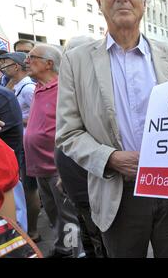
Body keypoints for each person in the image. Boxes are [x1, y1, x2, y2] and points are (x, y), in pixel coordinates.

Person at [55, 0, 168, 258]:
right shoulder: (76, 61)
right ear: (99, 0)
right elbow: (68, 133)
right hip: (118, 194)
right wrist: (111, 158)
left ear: (143, 1)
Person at [24, 44, 81, 258]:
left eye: (32, 57)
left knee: (68, 216)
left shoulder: (63, 88)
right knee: (53, 212)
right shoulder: (38, 87)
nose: (27, 61)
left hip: (58, 167)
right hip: (40, 166)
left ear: (49, 63)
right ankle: (62, 247)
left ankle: (74, 252)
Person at [53, 35, 107, 258]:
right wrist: (61, 175)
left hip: (93, 182)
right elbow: (65, 133)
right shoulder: (69, 86)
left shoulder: (99, 88)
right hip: (72, 178)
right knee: (84, 233)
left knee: (101, 238)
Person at [0, 52, 39, 241]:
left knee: (27, 189)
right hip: (18, 146)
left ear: (16, 66)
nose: (2, 67)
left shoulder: (28, 89)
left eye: (5, 63)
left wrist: (19, 121)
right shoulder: (9, 87)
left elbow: (38, 116)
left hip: (22, 145)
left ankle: (32, 232)